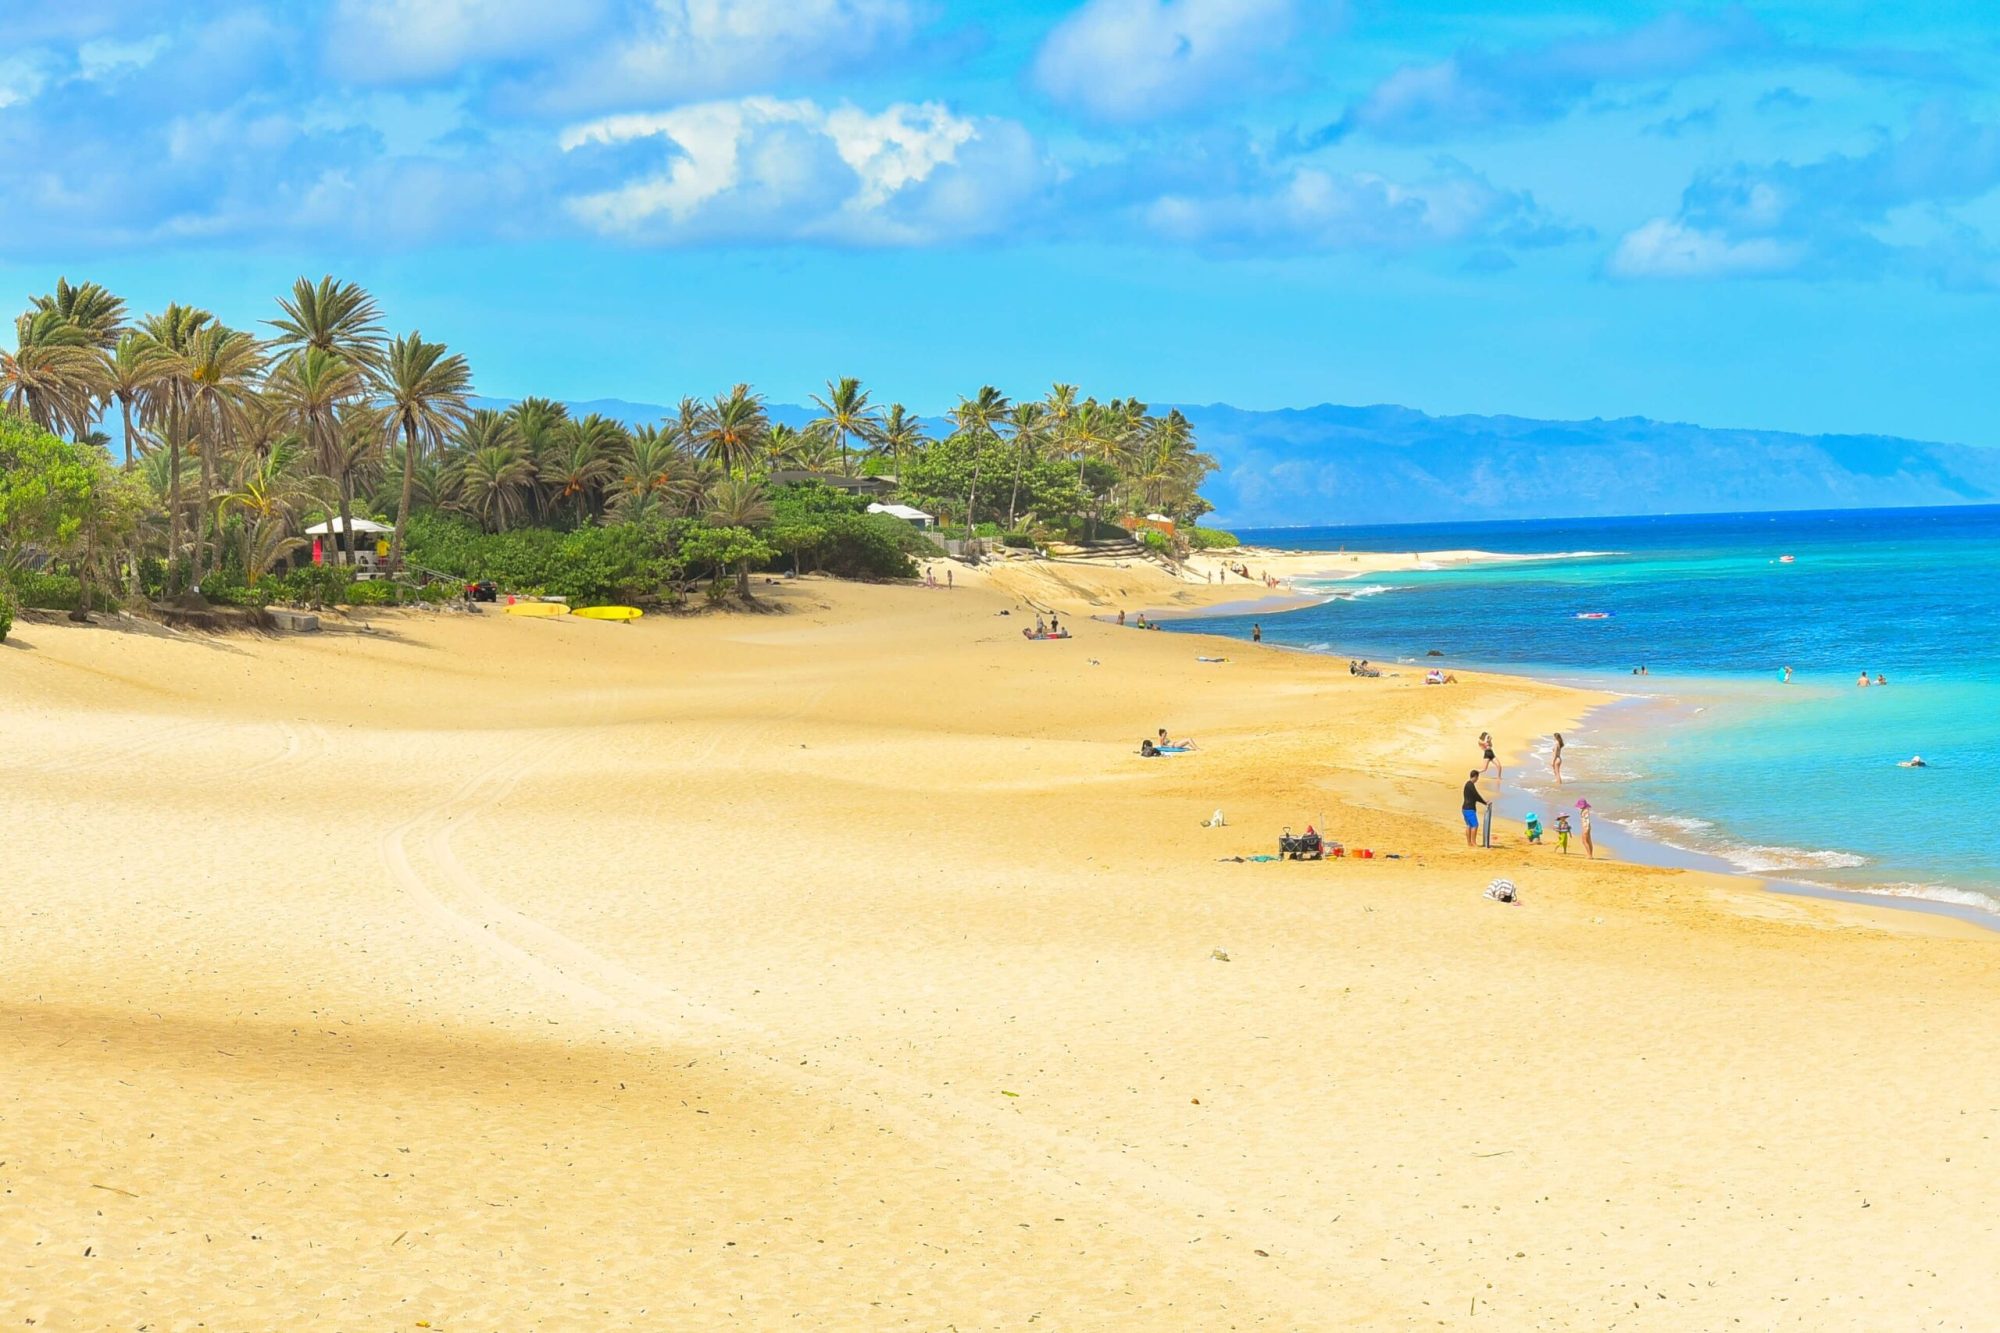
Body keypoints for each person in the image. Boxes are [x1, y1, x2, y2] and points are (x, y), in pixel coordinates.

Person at [1461, 770, 1488, 848]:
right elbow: (1476, 796)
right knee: (1475, 825)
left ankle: (1469, 843)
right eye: (1477, 777)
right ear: (1475, 776)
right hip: (1469, 809)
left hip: (1465, 808)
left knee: (1469, 825)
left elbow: (1475, 796)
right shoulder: (1470, 785)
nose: (1477, 779)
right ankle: (1473, 843)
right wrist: (1485, 802)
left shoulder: (1468, 784)